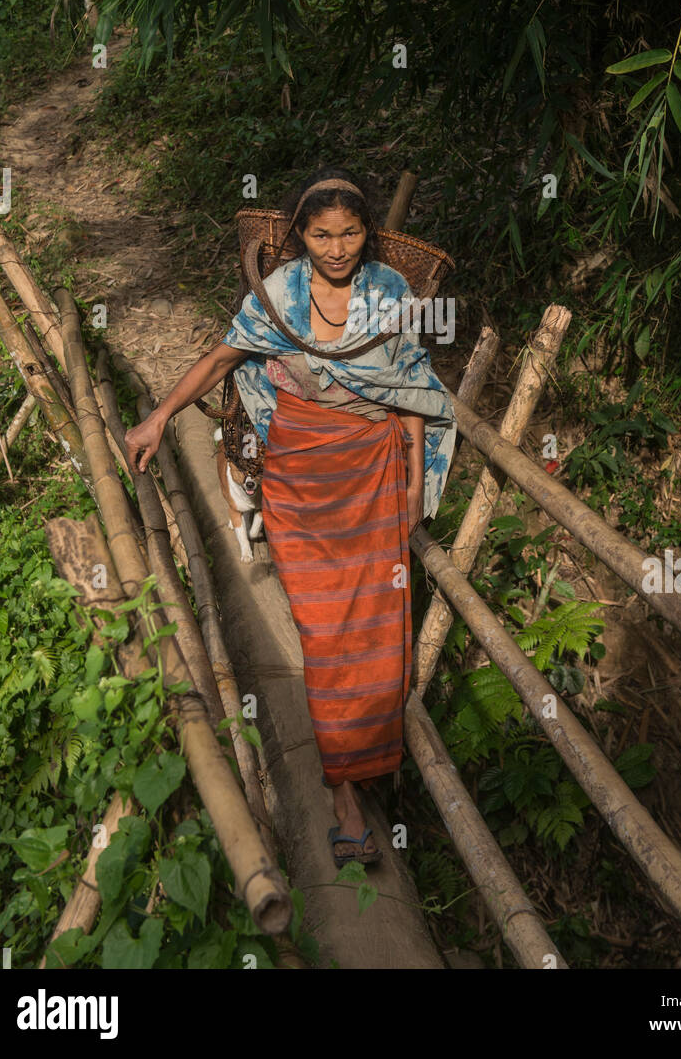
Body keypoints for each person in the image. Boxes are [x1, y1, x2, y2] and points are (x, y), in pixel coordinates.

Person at [124, 167, 456, 867]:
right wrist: (158, 417)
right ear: (299, 236)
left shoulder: (389, 292)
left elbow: (412, 393)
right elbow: (222, 359)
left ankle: (363, 775)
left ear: (369, 235)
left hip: (372, 474)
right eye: (320, 234)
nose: (336, 248)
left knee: (373, 626)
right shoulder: (279, 295)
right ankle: (343, 787)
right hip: (301, 477)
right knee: (322, 626)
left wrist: (409, 490)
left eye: (350, 232)